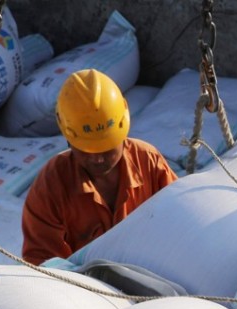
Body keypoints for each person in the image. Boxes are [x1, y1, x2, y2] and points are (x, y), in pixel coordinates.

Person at [21, 69, 178, 264]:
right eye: (86, 150)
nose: (97, 159)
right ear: (69, 139)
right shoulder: (52, 185)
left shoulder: (148, 162)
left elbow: (179, 222)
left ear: (123, 133)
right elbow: (41, 261)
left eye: (105, 149)